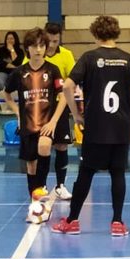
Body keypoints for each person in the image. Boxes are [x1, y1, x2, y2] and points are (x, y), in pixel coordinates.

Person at [51, 15, 130, 237]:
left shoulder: (89, 58)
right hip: (120, 126)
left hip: (96, 127)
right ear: (116, 33)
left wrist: (76, 115)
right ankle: (117, 222)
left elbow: (67, 87)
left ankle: (72, 221)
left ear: (95, 34)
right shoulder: (128, 59)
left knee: (86, 173)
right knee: (118, 174)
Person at [4, 28, 67, 217]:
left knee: (45, 145)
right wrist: (17, 112)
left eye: (41, 46)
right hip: (28, 123)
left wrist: (54, 121)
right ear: (27, 48)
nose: (38, 50)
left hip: (47, 123)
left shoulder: (53, 70)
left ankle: (42, 190)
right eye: (34, 46)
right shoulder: (19, 73)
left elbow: (64, 96)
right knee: (31, 165)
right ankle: (35, 202)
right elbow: (6, 94)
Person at [35, 22, 77, 201]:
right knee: (42, 146)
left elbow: (73, 79)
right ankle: (41, 186)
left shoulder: (66, 55)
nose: (51, 45)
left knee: (61, 145)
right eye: (49, 41)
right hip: (39, 108)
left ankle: (60, 186)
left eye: (55, 41)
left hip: (60, 106)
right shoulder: (36, 53)